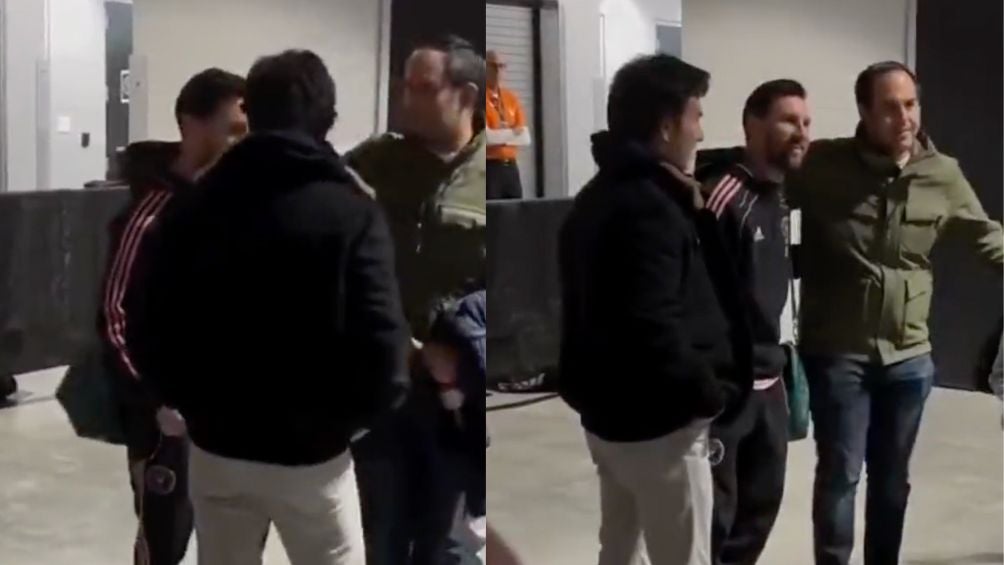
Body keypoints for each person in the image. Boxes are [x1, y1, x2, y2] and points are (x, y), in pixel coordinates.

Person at [129, 50, 410, 565]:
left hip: (216, 447)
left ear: (251, 113)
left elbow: (147, 321)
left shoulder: (194, 204)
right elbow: (385, 347)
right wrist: (346, 424)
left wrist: (187, 405)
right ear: (327, 119)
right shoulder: (350, 211)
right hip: (314, 457)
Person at [787, 61, 1004, 565]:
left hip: (908, 359)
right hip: (838, 353)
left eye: (910, 105)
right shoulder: (823, 165)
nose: (904, 118)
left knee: (892, 480)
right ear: (864, 111)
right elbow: (760, 185)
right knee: (840, 476)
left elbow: (986, 237)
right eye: (889, 107)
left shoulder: (941, 174)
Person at [557, 53, 752, 565]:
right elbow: (651, 323)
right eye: (696, 117)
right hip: (660, 425)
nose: (701, 133)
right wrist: (706, 394)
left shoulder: (596, 197)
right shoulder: (649, 208)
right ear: (666, 127)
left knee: (621, 550)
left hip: (611, 418)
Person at [345, 35, 486, 565]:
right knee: (376, 530)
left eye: (422, 88)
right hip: (383, 375)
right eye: (404, 85)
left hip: (457, 388)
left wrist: (460, 347)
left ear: (465, 95)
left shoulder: (493, 172)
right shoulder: (375, 161)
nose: (406, 99)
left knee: (444, 536)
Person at [98, 68, 246, 565]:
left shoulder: (237, 206)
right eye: (233, 129)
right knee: (164, 542)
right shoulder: (149, 213)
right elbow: (113, 315)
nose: (242, 143)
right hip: (168, 425)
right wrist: (154, 401)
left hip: (232, 420)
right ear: (191, 124)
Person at [699, 79, 811, 565]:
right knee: (714, 519)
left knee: (760, 511)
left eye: (806, 122)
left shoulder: (779, 194)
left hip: (770, 383)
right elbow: (696, 296)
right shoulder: (722, 197)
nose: (801, 132)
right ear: (752, 125)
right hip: (726, 390)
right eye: (789, 121)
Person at [485, 50, 531, 200]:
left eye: (502, 66)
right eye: (493, 66)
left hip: (511, 167)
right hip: (490, 167)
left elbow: (524, 137)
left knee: (515, 209)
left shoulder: (511, 98)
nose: (498, 70)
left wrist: (499, 135)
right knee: (493, 211)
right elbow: (487, 138)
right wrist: (512, 134)